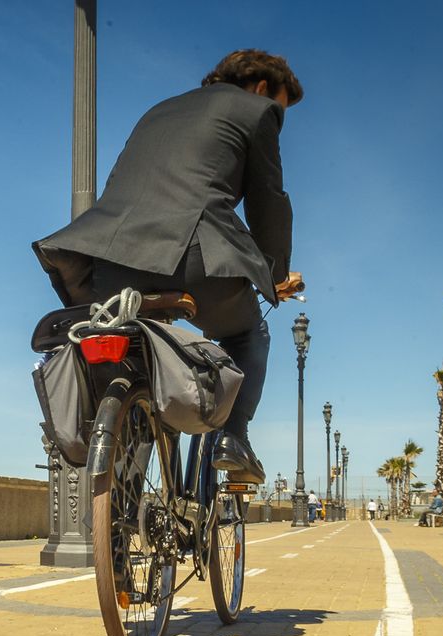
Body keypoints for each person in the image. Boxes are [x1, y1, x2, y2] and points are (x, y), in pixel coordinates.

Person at [33, 49, 303, 485]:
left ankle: (122, 508)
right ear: (260, 87)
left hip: (113, 259)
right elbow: (268, 203)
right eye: (281, 104)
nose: (279, 113)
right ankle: (233, 438)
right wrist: (274, 275)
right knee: (248, 334)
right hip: (194, 255)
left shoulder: (157, 112)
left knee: (135, 367)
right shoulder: (257, 110)